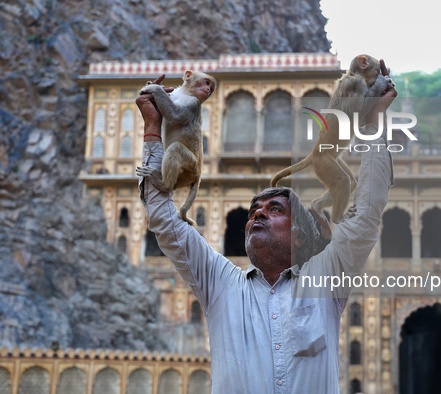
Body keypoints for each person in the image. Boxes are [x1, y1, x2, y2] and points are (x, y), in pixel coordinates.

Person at [136, 72, 397, 393]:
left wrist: (375, 121)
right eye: (253, 213)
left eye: (275, 210)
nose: (258, 214)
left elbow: (368, 212)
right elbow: (164, 219)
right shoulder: (221, 283)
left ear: (301, 236)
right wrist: (152, 131)